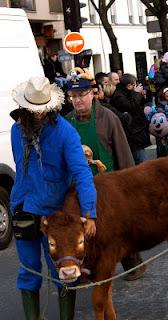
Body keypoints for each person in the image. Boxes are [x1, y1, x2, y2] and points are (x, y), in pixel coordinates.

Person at [10, 76, 97, 320]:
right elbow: (23, 169)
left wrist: (90, 213)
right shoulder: (17, 130)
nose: (38, 114)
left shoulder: (65, 132)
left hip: (56, 214)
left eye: (42, 110)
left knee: (63, 268)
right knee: (28, 269)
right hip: (24, 208)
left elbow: (82, 172)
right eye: (33, 110)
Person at [65, 68, 146, 280]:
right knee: (82, 230)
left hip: (108, 186)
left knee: (116, 229)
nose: (77, 100)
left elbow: (123, 153)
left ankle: (133, 263)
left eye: (82, 95)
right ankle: (86, 269)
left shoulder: (108, 118)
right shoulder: (66, 123)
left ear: (92, 94)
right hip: (79, 187)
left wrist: (130, 185)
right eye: (73, 96)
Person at [111, 73, 150, 165]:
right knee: (140, 162)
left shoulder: (128, 93)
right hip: (133, 134)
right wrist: (137, 94)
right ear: (129, 85)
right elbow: (131, 107)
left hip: (138, 132)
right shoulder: (119, 96)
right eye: (134, 84)